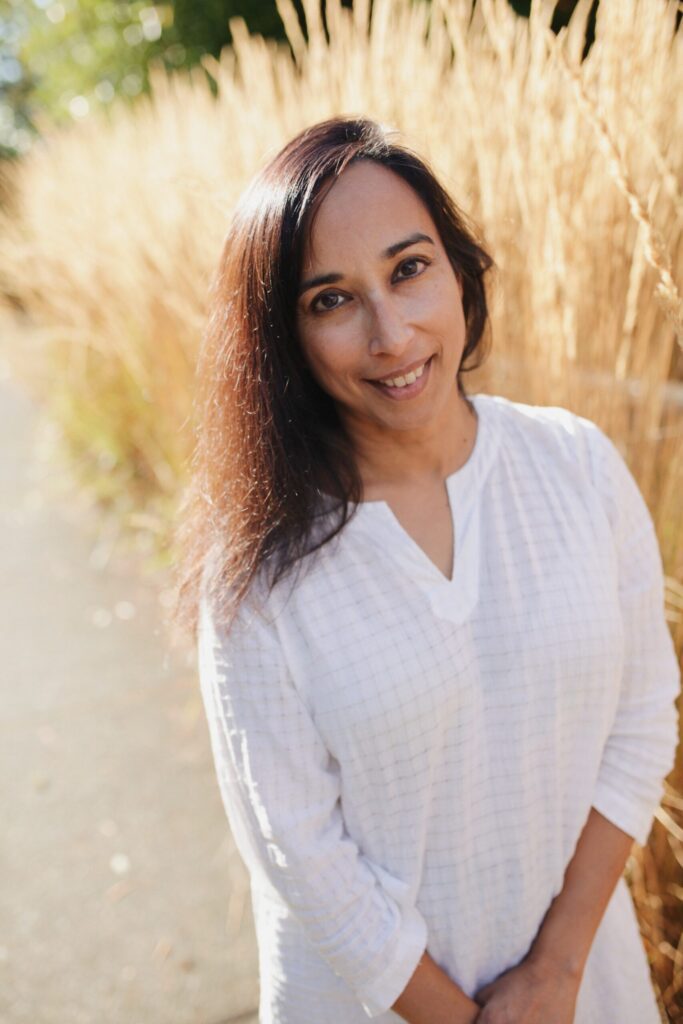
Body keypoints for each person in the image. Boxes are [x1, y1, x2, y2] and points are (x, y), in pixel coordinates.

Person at [183, 116, 680, 1023]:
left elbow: (642, 720)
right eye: (330, 300)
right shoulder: (258, 567)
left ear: (458, 267)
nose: (391, 333)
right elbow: (298, 851)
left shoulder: (576, 465)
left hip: (583, 991)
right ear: (284, 340)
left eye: (408, 269)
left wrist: (556, 971)